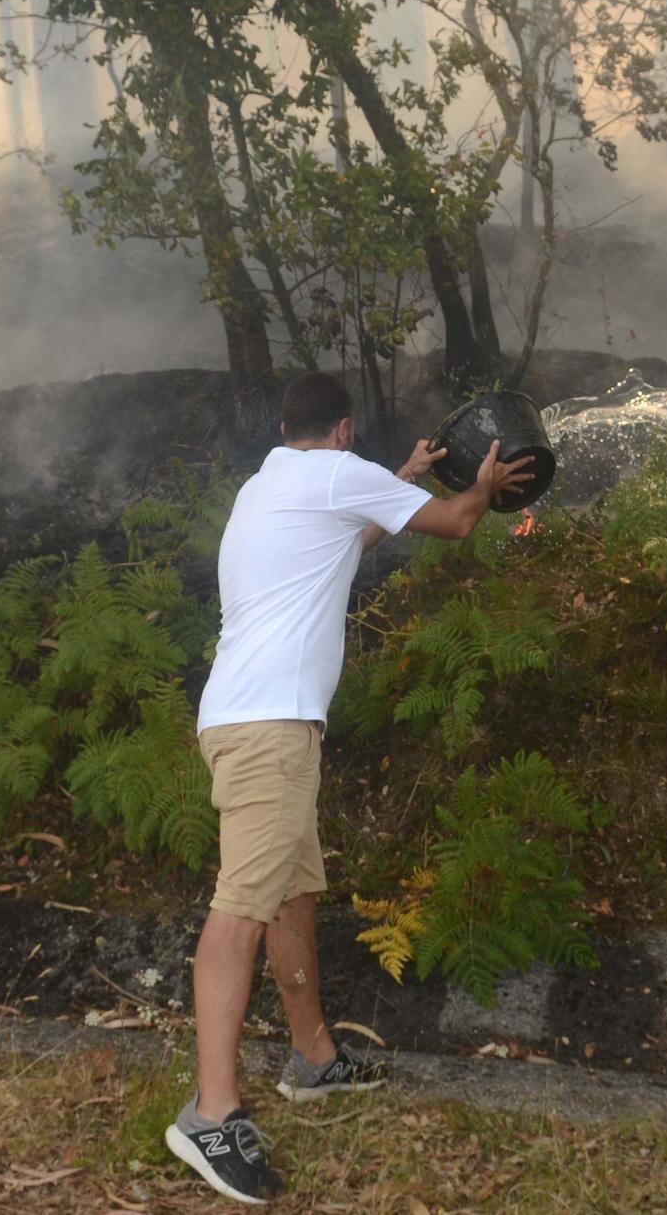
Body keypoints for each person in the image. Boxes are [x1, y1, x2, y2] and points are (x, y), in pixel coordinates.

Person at [167, 371, 536, 1205]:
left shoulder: (265, 489)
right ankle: (210, 1111)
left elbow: (348, 543)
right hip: (269, 727)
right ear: (341, 430)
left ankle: (314, 1058)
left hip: (249, 721)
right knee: (242, 906)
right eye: (354, 442)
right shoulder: (334, 475)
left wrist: (399, 478)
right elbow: (455, 523)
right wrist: (480, 482)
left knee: (292, 893)